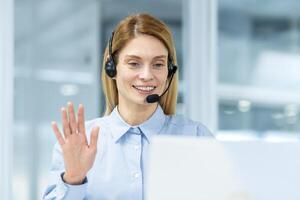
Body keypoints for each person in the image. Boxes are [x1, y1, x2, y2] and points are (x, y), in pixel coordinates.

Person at [43, 13, 213, 200]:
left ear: (169, 71)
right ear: (112, 68)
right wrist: (73, 180)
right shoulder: (80, 143)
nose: (147, 75)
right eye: (134, 63)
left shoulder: (196, 137)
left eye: (158, 64)